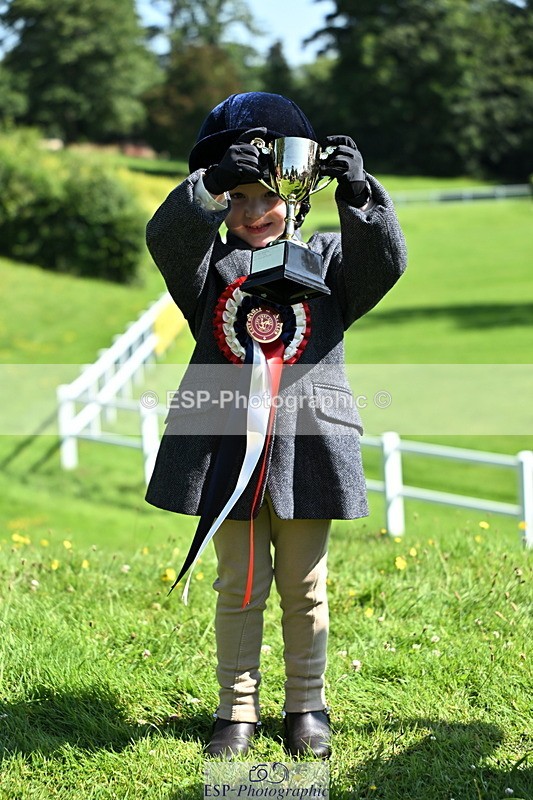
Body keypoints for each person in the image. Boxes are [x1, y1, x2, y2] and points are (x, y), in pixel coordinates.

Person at [144, 92, 407, 759]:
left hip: (310, 446)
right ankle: (236, 709)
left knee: (304, 585)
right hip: (223, 451)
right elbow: (168, 238)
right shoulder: (207, 270)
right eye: (237, 198)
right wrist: (204, 187)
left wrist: (359, 193)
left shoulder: (328, 261)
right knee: (239, 585)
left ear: (297, 191)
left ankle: (305, 705)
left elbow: (384, 263)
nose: (253, 211)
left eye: (267, 196)